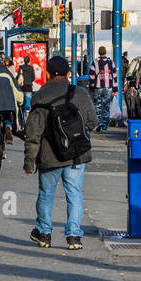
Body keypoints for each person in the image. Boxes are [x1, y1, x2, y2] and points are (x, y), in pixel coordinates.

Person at [23, 55, 96, 249]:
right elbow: (93, 122)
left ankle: (44, 233)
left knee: (46, 194)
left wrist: (29, 162)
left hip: (50, 155)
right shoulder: (81, 93)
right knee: (74, 194)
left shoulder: (40, 96)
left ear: (47, 74)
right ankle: (73, 237)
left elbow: (33, 132)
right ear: (69, 74)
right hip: (76, 154)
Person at [91, 46, 117, 133]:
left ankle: (99, 122)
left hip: (98, 87)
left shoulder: (95, 62)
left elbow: (91, 75)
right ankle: (105, 126)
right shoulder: (111, 62)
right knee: (106, 106)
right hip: (108, 87)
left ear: (99, 52)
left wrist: (92, 85)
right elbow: (114, 76)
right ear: (105, 52)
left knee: (97, 105)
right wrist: (115, 89)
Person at [18, 56, 37, 126]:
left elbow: (18, 77)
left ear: (24, 60)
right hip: (29, 87)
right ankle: (28, 121)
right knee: (28, 105)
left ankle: (22, 121)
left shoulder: (21, 67)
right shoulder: (31, 68)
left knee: (22, 104)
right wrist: (29, 80)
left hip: (22, 87)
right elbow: (33, 77)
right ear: (29, 61)